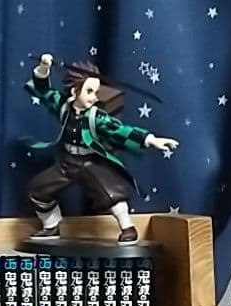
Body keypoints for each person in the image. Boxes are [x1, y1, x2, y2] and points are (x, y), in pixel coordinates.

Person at [24, 53, 179, 245]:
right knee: (37, 190)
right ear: (74, 91)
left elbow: (120, 130)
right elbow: (43, 91)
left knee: (111, 192)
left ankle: (127, 227)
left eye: (96, 92)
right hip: (65, 163)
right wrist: (43, 68)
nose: (94, 97)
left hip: (88, 163)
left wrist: (150, 139)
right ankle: (51, 226)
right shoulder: (63, 106)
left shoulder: (96, 117)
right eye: (89, 91)